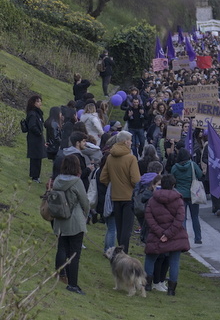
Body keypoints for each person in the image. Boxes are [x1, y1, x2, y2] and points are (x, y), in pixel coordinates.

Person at [144, 173, 190, 296]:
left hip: (156, 234)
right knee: (174, 261)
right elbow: (180, 219)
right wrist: (168, 234)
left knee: (150, 258)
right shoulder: (178, 200)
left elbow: (149, 217)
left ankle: (147, 285)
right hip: (175, 235)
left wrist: (160, 233)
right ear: (173, 185)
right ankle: (171, 290)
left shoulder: (153, 199)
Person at [53, 155, 91, 295]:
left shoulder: (58, 180)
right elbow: (85, 202)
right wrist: (85, 215)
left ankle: (60, 273)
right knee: (74, 254)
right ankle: (73, 284)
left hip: (60, 219)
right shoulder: (77, 182)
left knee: (62, 248)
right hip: (74, 220)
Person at [99, 130, 140, 253]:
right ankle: (123, 253)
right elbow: (136, 180)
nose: (131, 143)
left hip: (115, 196)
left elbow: (103, 178)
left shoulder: (110, 157)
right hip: (128, 197)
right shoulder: (131, 158)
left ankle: (118, 250)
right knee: (126, 230)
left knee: (119, 227)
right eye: (130, 140)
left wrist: (115, 184)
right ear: (125, 141)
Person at [170, 148, 204, 245]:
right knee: (195, 217)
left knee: (182, 218)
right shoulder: (193, 165)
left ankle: (183, 238)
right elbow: (200, 174)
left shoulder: (175, 168)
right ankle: (198, 238)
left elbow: (172, 180)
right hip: (194, 194)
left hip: (180, 195)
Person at [25, 95, 45, 183]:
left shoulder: (37, 113)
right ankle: (34, 176)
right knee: (35, 157)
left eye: (40, 101)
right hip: (34, 139)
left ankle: (36, 175)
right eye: (38, 101)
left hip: (37, 139)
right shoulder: (33, 114)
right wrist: (39, 133)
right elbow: (32, 126)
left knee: (38, 157)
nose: (40, 103)